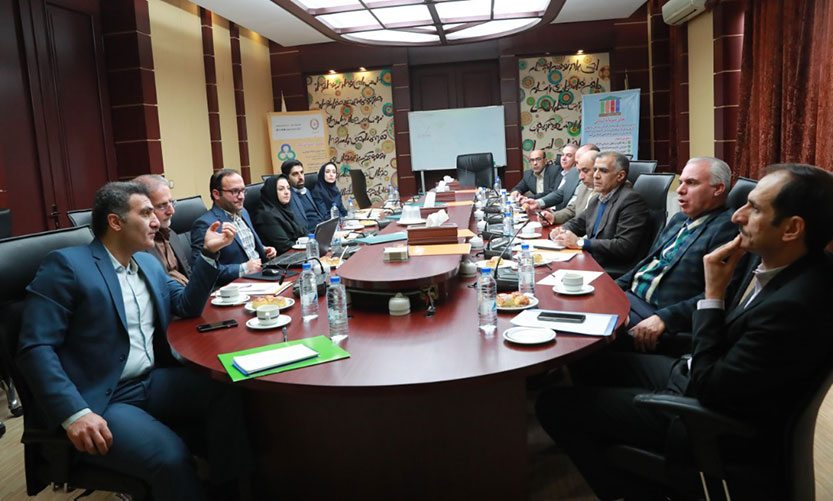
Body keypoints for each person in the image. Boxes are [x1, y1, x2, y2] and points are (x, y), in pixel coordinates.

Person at [536, 164, 833, 500]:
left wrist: (713, 295)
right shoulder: (783, 265)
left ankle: (628, 489)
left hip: (703, 413)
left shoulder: (795, 304)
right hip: (693, 371)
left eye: (753, 208)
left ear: (791, 229)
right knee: (589, 358)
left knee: (554, 405)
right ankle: (614, 444)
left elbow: (710, 387)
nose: (738, 216)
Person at [16, 182, 253, 500]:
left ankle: (232, 491)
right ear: (115, 222)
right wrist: (75, 413)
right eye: (146, 213)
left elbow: (185, 305)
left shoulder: (148, 264)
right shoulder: (67, 265)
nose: (156, 221)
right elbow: (35, 348)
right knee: (170, 458)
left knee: (226, 388)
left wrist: (210, 254)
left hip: (150, 381)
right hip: (102, 397)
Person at [616, 157, 738, 353]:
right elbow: (647, 263)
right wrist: (610, 289)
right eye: (681, 182)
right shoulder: (679, 219)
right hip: (630, 298)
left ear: (718, 189)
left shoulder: (727, 229)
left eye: (691, 183)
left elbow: (721, 293)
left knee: (595, 332)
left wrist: (664, 318)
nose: (680, 190)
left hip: (660, 315)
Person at [551, 151, 650, 270]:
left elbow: (624, 246)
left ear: (620, 176)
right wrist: (561, 231)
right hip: (590, 260)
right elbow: (577, 223)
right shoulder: (596, 199)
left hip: (610, 267)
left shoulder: (631, 200)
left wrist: (580, 242)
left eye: (603, 171)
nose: (596, 176)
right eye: (595, 170)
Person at [191, 169, 276, 287]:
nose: (241, 197)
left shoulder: (243, 212)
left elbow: (243, 248)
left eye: (243, 191)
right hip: (238, 286)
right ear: (216, 194)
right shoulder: (206, 224)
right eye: (235, 191)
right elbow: (201, 272)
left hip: (262, 275)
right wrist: (243, 268)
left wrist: (263, 249)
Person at [134, 174, 191, 285]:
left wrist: (209, 253)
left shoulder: (172, 235)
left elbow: (190, 276)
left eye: (171, 202)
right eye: (162, 206)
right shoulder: (136, 247)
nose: (172, 211)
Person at [539, 149, 598, 226]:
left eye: (585, 171)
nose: (581, 177)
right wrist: (553, 217)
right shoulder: (583, 186)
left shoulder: (608, 193)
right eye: (579, 171)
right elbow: (572, 210)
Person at [254, 174, 307, 255]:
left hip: (297, 254)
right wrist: (308, 244)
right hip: (283, 258)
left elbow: (302, 231)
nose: (286, 192)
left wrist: (314, 239)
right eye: (281, 189)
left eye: (288, 188)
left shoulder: (285, 209)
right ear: (272, 191)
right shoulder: (266, 215)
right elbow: (285, 246)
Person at [522, 144, 580, 211]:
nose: (563, 158)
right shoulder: (561, 174)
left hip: (564, 213)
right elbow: (556, 194)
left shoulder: (578, 177)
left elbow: (570, 205)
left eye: (569, 156)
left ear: (577, 159)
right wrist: (537, 203)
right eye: (562, 155)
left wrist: (552, 212)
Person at [281, 159, 325, 232]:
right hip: (309, 235)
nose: (301, 177)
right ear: (287, 178)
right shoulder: (287, 196)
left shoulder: (306, 191)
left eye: (301, 172)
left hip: (322, 229)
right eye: (295, 174)